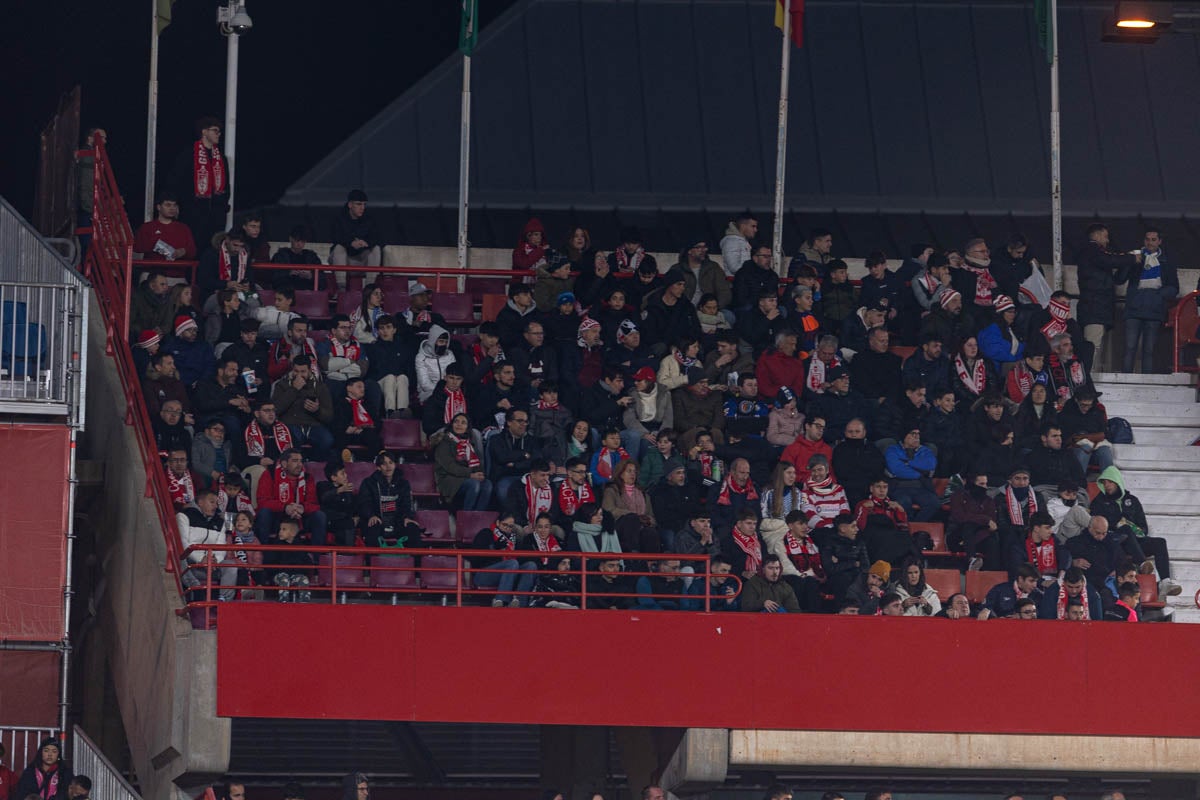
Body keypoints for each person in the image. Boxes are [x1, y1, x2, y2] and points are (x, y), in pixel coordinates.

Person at [1092, 465, 1178, 595]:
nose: (1107, 485)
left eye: (1110, 482)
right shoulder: (1099, 502)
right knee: (1125, 529)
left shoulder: (1132, 500)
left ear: (1117, 481)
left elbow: (1144, 527)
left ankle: (1165, 582)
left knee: (1160, 542)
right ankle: (1142, 563)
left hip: (1135, 541)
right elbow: (1097, 527)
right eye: (1104, 482)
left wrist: (1136, 530)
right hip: (1114, 542)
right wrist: (1118, 525)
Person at [1076, 222, 1141, 369]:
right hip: (1094, 308)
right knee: (1092, 346)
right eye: (1105, 237)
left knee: (1096, 346)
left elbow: (1116, 274)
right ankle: (1088, 379)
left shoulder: (1094, 254)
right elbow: (1109, 260)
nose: (1107, 241)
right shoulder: (1091, 250)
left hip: (1098, 309)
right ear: (1097, 235)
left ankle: (1091, 378)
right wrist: (1130, 258)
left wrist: (1127, 262)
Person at [1123, 227, 1178, 372]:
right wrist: (1129, 261)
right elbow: (1119, 279)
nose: (1150, 243)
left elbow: (1174, 288)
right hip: (1133, 310)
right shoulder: (1135, 257)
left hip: (1154, 310)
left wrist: (1158, 295)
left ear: (1160, 241)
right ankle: (1125, 381)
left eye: (1154, 240)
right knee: (1129, 348)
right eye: (1147, 239)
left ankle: (1147, 382)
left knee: (1149, 350)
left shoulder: (1167, 261)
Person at [170, 116, 228, 254]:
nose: (218, 134)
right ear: (204, 132)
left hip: (215, 216)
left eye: (219, 131)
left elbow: (226, 187)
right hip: (193, 214)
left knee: (213, 251)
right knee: (192, 250)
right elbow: (176, 182)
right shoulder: (188, 154)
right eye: (215, 130)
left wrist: (222, 207)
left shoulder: (221, 157)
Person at [176, 489, 237, 601]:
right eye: (212, 502)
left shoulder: (220, 521)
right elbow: (183, 543)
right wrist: (201, 559)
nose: (215, 506)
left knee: (231, 565)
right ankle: (195, 588)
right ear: (200, 502)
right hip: (191, 564)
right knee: (178, 557)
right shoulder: (184, 516)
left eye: (217, 503)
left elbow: (221, 545)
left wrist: (215, 560)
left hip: (211, 565)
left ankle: (224, 600)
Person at [255, 449, 328, 544]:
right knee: (264, 512)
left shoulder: (307, 477)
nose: (300, 465)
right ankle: (261, 553)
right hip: (277, 517)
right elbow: (262, 501)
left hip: (299, 518)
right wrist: (285, 507)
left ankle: (316, 557)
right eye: (295, 461)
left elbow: (313, 504)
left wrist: (302, 508)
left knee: (319, 516)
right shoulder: (270, 474)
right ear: (284, 464)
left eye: (301, 461)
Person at [271, 356, 334, 460]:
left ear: (309, 370)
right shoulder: (282, 385)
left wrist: (317, 411)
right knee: (293, 440)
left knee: (327, 440)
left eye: (303, 371)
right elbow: (276, 409)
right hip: (291, 424)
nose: (299, 375)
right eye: (296, 371)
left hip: (313, 425)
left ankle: (314, 465)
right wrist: (294, 389)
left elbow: (329, 416)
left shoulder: (320, 387)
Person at [470, 514, 538, 607]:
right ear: (498, 523)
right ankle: (501, 600)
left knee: (530, 565)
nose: (507, 528)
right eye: (505, 525)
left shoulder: (514, 539)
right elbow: (475, 559)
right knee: (512, 563)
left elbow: (520, 559)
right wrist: (497, 553)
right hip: (483, 574)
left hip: (509, 573)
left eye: (510, 526)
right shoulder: (486, 533)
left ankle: (519, 602)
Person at [766, 511, 826, 612]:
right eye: (800, 524)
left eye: (806, 523)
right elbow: (785, 567)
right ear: (790, 526)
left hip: (810, 579)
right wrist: (804, 575)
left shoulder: (810, 542)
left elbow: (818, 563)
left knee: (811, 582)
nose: (805, 527)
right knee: (804, 582)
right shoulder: (780, 543)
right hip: (789, 578)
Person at [358, 451, 420, 547]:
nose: (388, 466)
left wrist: (407, 517)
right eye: (384, 464)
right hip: (378, 520)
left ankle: (415, 561)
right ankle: (371, 561)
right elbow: (365, 503)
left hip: (397, 522)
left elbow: (407, 504)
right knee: (372, 529)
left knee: (413, 529)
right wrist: (371, 515)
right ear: (378, 467)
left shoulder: (403, 483)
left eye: (391, 463)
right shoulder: (368, 483)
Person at [884, 427, 940, 521]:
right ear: (904, 436)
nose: (917, 437)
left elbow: (930, 465)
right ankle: (908, 528)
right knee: (904, 502)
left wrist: (908, 463)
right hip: (899, 487)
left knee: (934, 503)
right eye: (913, 433)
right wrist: (920, 473)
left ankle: (914, 526)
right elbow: (897, 470)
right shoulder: (893, 449)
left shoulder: (925, 451)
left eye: (918, 434)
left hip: (921, 487)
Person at [947, 472, 1000, 571]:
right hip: (958, 536)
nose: (985, 487)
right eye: (981, 484)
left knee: (992, 542)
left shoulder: (988, 500)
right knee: (968, 526)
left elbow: (992, 524)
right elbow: (960, 517)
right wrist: (985, 519)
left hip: (978, 537)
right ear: (972, 483)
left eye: (986, 484)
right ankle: (971, 559)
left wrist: (972, 539)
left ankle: (990, 574)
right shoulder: (958, 496)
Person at [1057, 387, 1114, 474]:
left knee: (1105, 451)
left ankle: (1110, 482)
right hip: (1074, 448)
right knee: (1085, 448)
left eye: (1089, 405)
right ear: (1076, 400)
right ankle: (1079, 483)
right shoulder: (1067, 413)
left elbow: (1105, 434)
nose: (1086, 408)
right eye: (1083, 405)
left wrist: (1087, 437)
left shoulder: (1097, 412)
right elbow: (1063, 437)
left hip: (1095, 446)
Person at [134, 191, 197, 261]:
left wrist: (184, 251)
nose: (172, 208)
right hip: (152, 270)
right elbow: (136, 250)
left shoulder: (183, 228)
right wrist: (154, 245)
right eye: (168, 205)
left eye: (174, 205)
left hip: (177, 270)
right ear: (158, 207)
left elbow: (193, 251)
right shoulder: (147, 228)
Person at [330, 189, 381, 267]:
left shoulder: (370, 219)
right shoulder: (338, 218)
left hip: (361, 259)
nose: (362, 208)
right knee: (339, 248)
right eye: (359, 204)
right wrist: (351, 242)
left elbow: (378, 238)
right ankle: (341, 279)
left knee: (376, 249)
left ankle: (370, 279)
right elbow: (336, 237)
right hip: (343, 259)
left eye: (364, 204)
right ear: (350, 204)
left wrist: (365, 242)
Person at [800, 455, 850, 531]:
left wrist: (840, 528)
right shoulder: (805, 493)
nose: (816, 474)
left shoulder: (839, 489)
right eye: (813, 470)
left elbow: (845, 512)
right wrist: (828, 528)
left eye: (820, 470)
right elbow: (808, 515)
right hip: (819, 531)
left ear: (827, 470)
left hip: (840, 530)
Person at [978, 563, 1042, 619]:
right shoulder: (999, 590)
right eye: (1031, 581)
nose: (1035, 585)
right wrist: (991, 614)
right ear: (1020, 579)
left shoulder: (1039, 595)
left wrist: (1022, 616)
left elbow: (1041, 615)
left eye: (1036, 581)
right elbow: (986, 608)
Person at [1037, 566, 1102, 620]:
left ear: (1083, 583)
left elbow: (1098, 621)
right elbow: (1046, 619)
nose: (1074, 591)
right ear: (1064, 582)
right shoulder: (1052, 591)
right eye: (1070, 587)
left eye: (1077, 587)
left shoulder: (1091, 593)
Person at [780, 415, 833, 480]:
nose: (821, 430)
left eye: (823, 428)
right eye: (818, 426)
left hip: (824, 487)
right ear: (807, 426)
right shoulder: (792, 449)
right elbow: (785, 475)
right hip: (800, 487)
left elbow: (831, 475)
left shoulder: (827, 449)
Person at [719, 213, 756, 278]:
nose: (755, 230)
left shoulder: (742, 241)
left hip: (743, 282)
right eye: (753, 226)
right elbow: (734, 268)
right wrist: (755, 265)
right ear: (743, 226)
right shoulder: (732, 242)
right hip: (735, 284)